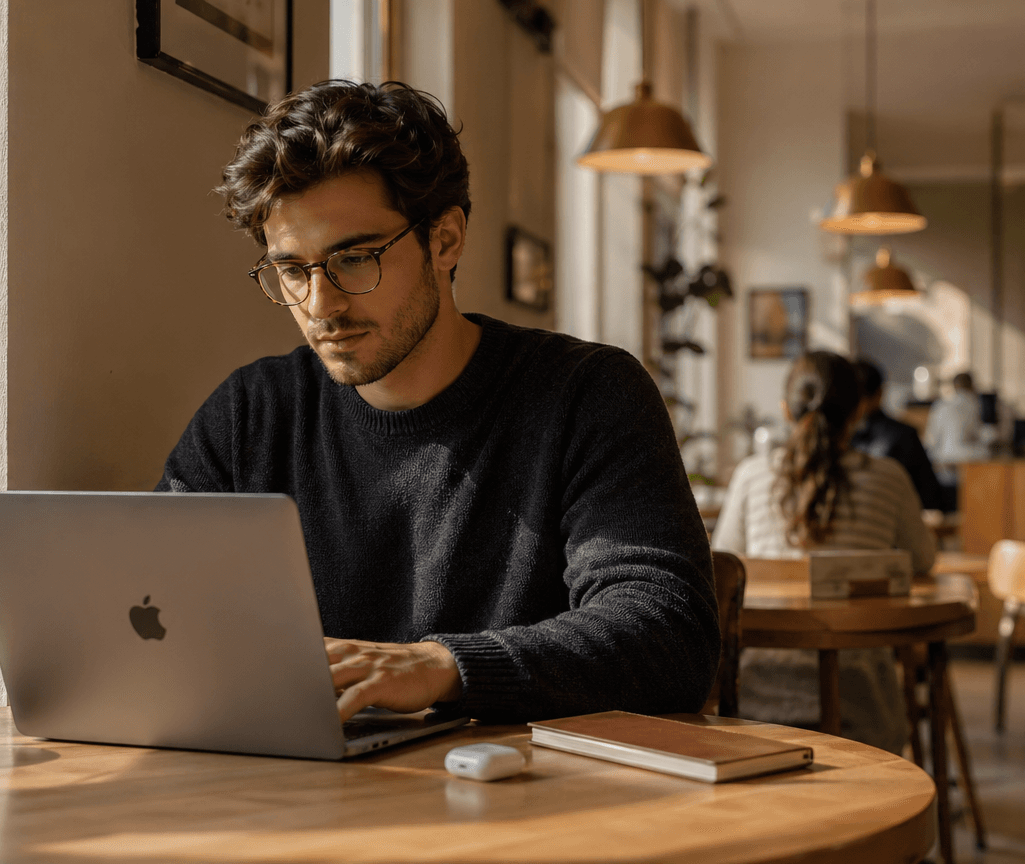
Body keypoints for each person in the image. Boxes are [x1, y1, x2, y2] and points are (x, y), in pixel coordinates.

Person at [154, 80, 718, 725]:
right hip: (296, 796)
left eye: (354, 258)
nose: (320, 305)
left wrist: (445, 667)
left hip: (526, 800)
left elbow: (670, 635)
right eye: (291, 270)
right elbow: (157, 612)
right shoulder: (250, 413)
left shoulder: (586, 394)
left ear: (445, 240)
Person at [711, 351, 935, 752]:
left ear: (785, 410)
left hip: (757, 702)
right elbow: (922, 560)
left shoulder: (750, 476)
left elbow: (722, 569)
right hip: (864, 710)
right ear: (859, 412)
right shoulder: (889, 479)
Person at [851, 360, 943, 511]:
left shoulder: (837, 439)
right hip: (897, 520)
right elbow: (929, 494)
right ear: (881, 392)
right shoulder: (905, 435)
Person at [923, 371, 989, 511]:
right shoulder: (975, 404)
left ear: (954, 386)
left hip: (943, 467)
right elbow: (981, 435)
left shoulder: (940, 406)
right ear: (972, 386)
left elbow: (931, 440)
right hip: (969, 466)